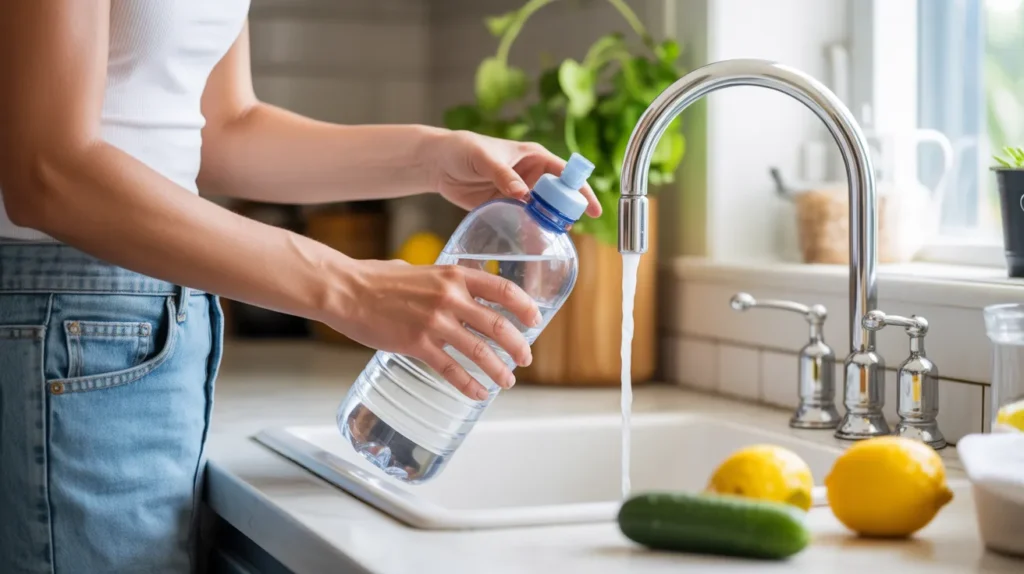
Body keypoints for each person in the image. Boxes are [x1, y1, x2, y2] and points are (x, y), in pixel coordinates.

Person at [0, 2, 601, 573]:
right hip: (68, 319)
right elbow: (49, 168)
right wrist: (350, 286)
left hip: (151, 318)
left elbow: (222, 130)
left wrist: (431, 155)